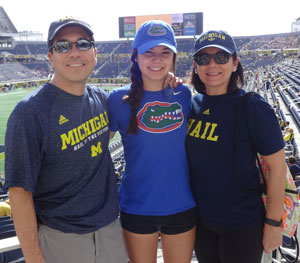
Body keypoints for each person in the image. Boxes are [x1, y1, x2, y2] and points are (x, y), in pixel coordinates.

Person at [4, 17, 128, 263]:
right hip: (61, 241)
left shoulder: (102, 100)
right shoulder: (29, 113)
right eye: (63, 46)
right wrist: (34, 258)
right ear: (50, 56)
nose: (74, 52)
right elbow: (19, 193)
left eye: (82, 44)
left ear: (94, 53)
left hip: (111, 234)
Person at [185, 30, 286, 263]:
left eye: (221, 57)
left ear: (234, 63)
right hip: (202, 222)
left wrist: (272, 223)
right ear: (196, 66)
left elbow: (278, 168)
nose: (212, 64)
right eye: (203, 58)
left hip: (242, 223)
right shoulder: (192, 105)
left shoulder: (252, 106)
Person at [108, 20, 196, 263]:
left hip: (181, 204)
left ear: (173, 57)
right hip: (136, 207)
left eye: (164, 52)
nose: (157, 59)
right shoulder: (118, 99)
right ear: (136, 56)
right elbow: (95, 148)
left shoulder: (183, 94)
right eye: (149, 52)